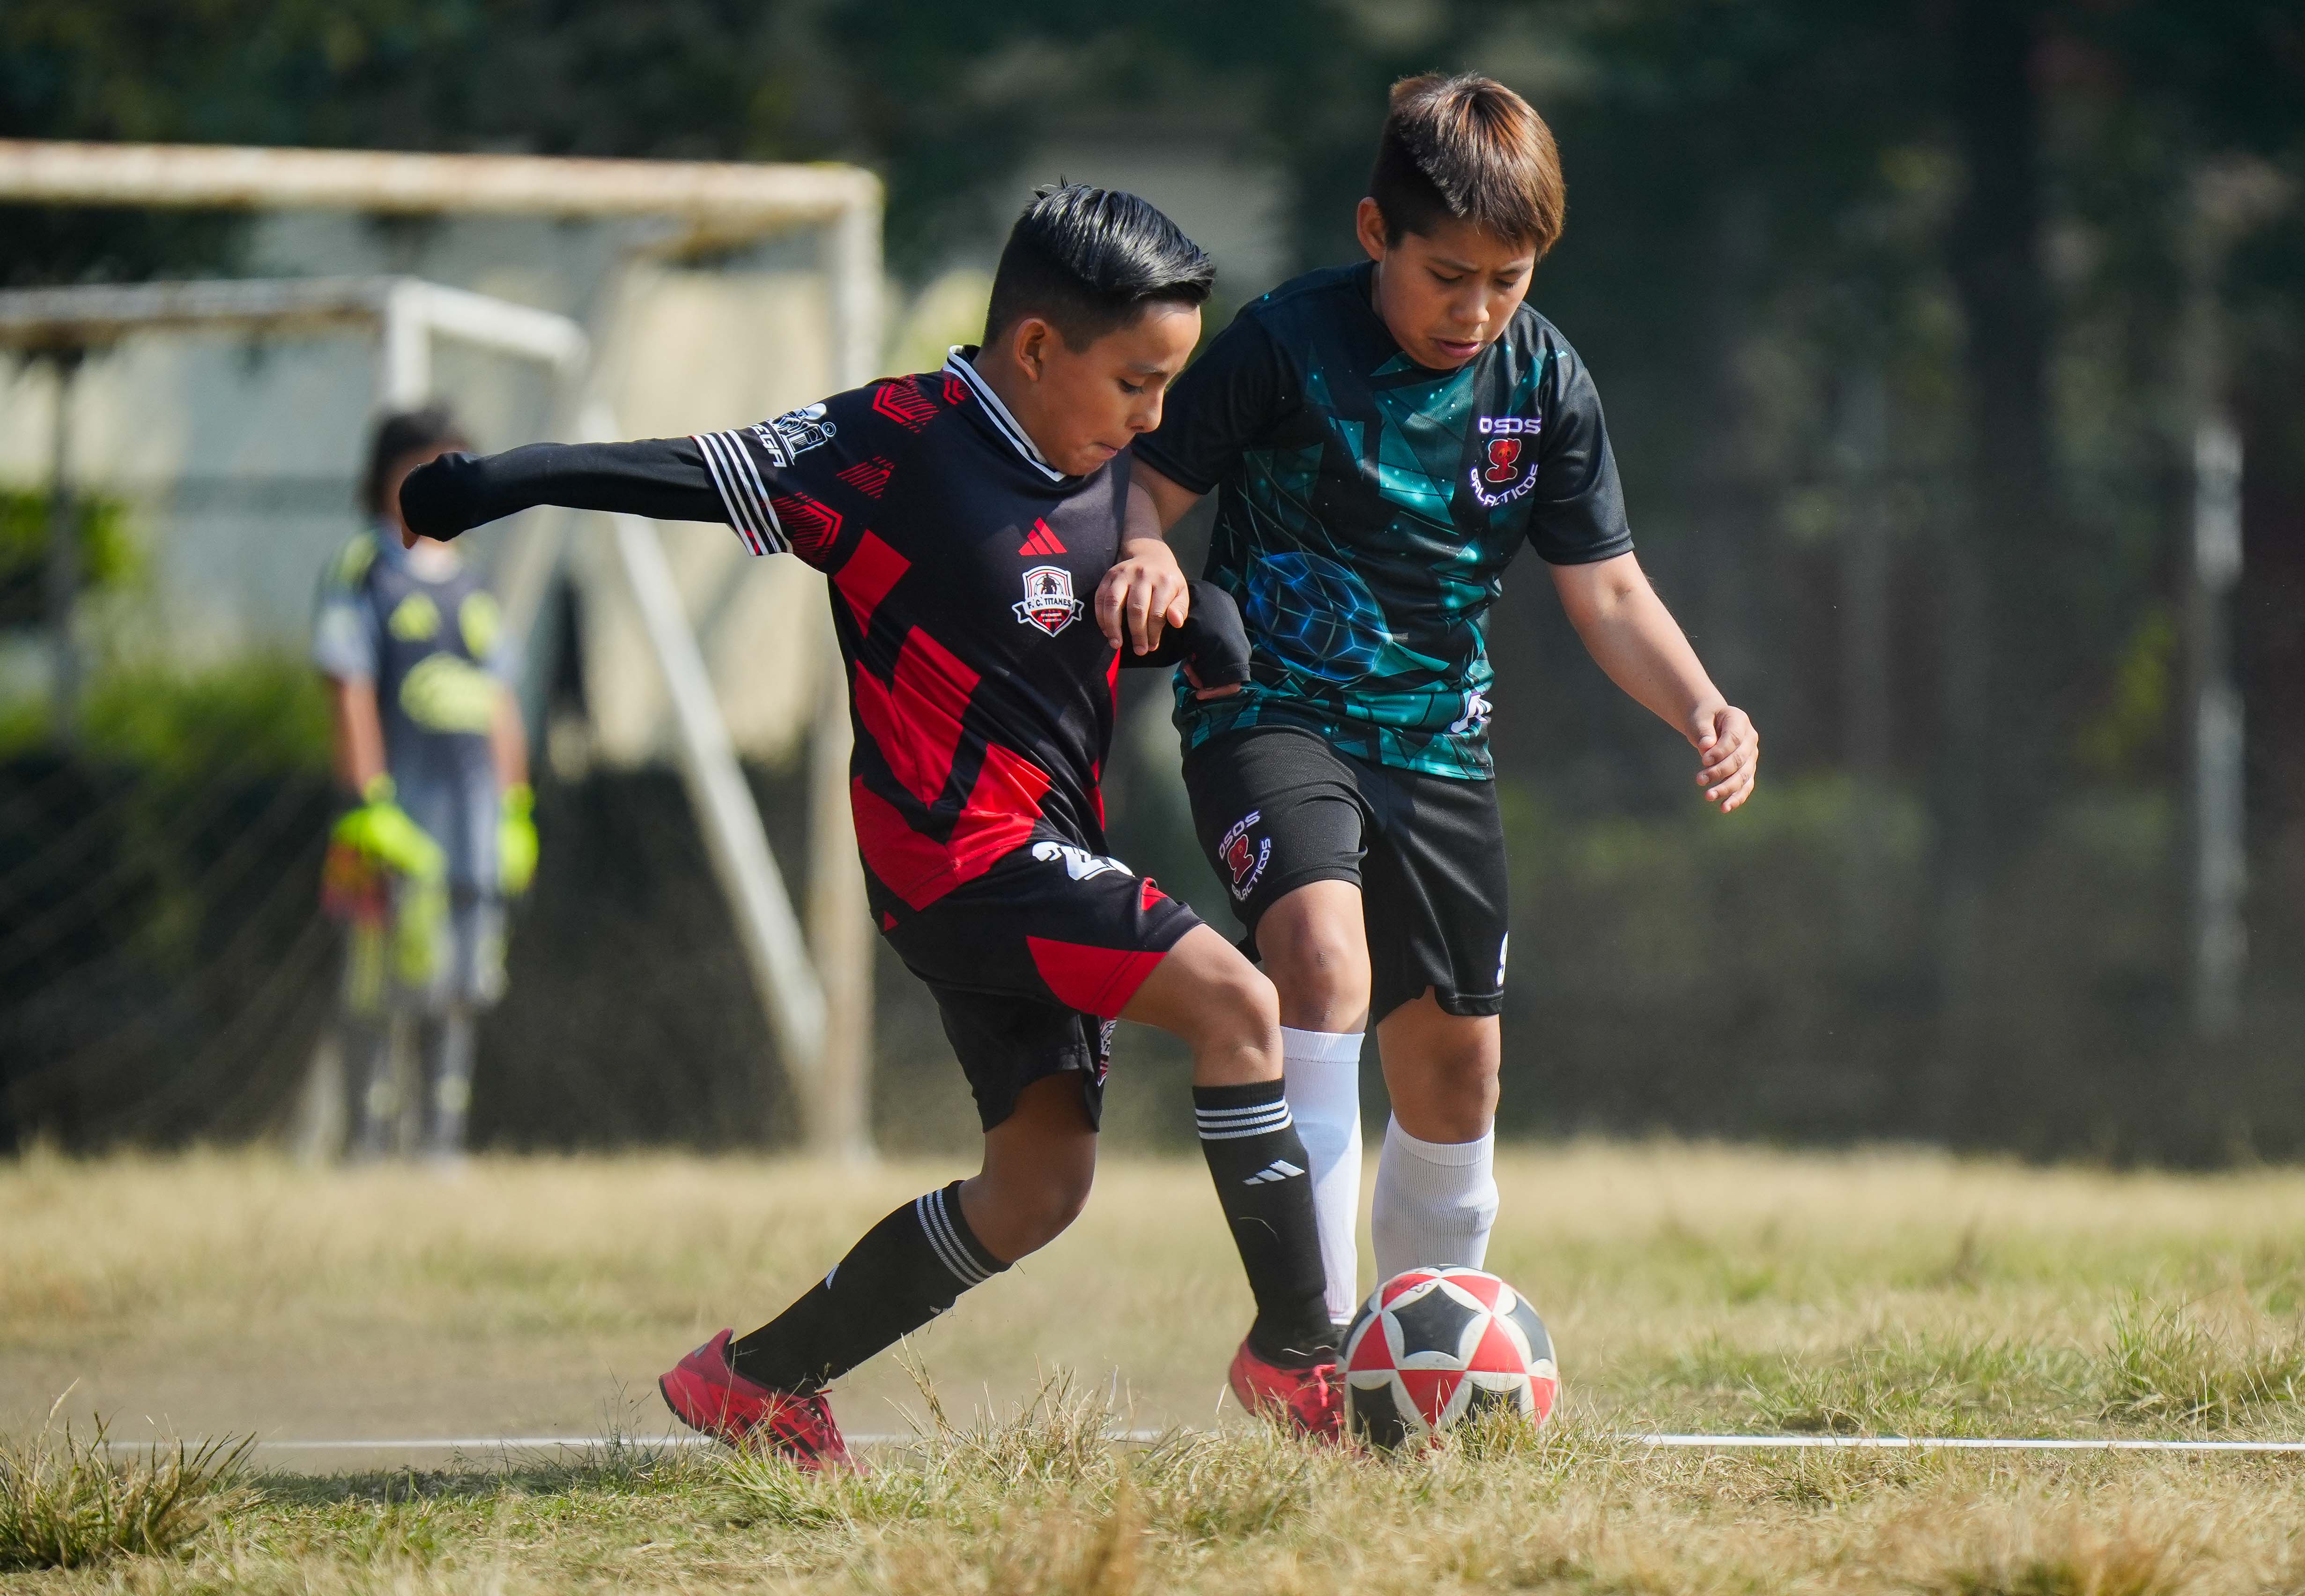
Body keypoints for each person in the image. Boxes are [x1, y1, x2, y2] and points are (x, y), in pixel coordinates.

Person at [398, 186, 1345, 1464]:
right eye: (1136, 381)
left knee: (1036, 1191)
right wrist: (488, 484)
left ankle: (757, 1379)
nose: (1153, 418)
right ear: (1033, 351)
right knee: (1236, 1007)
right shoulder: (891, 444)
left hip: (1035, 861)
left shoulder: (1104, 475)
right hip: (958, 859)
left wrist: (1191, 612)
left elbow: (1117, 608)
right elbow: (689, 468)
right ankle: (1297, 1355)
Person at [1131, 75, 1762, 1334]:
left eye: (1507, 278)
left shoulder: (1544, 384)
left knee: (1454, 1080)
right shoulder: (1280, 342)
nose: (1474, 309)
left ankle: (1421, 1369)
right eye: (1447, 274)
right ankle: (1305, 1355)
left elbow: (1610, 592)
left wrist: (1700, 703)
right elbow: (1143, 488)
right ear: (1375, 234)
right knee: (1317, 969)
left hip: (1436, 745)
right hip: (1269, 715)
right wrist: (1144, 551)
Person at [313, 407, 538, 1165]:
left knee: (466, 978)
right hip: (400, 815)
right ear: (390, 474)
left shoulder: (474, 586)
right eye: (435, 467)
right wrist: (369, 801)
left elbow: (502, 699)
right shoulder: (362, 572)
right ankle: (368, 1144)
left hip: (476, 818)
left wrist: (516, 806)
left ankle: (441, 1144)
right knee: (383, 978)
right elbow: (346, 687)